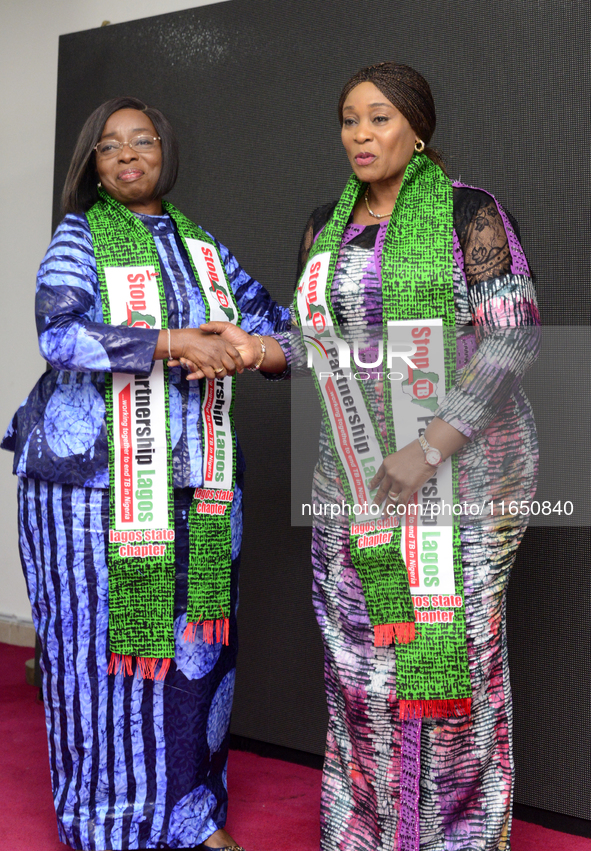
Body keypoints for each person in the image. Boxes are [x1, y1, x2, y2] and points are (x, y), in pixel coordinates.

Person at [217, 62, 540, 850]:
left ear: (417, 128)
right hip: (357, 479)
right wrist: (256, 349)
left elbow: (513, 335)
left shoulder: (470, 213)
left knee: (449, 660)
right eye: (349, 120)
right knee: (361, 667)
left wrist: (428, 446)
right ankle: (368, 833)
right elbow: (317, 347)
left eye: (379, 119)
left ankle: (458, 838)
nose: (360, 135)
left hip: (466, 477)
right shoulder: (324, 227)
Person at [2, 96, 288, 851]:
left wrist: (264, 347)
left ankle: (190, 816)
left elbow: (271, 323)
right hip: (89, 489)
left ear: (165, 150)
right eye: (109, 146)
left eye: (142, 140)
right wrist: (170, 343)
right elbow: (58, 331)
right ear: (91, 164)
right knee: (103, 658)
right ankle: (108, 824)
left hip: (197, 481)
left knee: (196, 654)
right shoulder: (79, 235)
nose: (127, 154)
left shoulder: (202, 248)